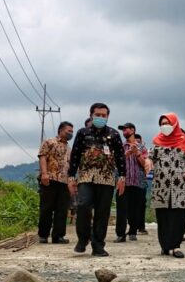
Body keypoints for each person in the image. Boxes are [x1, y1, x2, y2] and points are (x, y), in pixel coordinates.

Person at [68, 103, 126, 256]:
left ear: (107, 116)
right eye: (97, 115)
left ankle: (98, 244)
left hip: (106, 178)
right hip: (86, 176)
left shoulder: (114, 134)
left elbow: (120, 157)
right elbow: (75, 155)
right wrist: (70, 177)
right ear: (91, 115)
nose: (100, 117)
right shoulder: (82, 133)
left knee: (102, 212)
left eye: (103, 115)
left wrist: (122, 177)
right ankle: (83, 238)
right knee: (83, 205)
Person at [150, 113, 185, 258]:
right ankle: (165, 246)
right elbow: (150, 156)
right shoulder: (157, 142)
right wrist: (148, 161)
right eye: (162, 123)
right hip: (161, 187)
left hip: (179, 186)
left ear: (175, 124)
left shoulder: (184, 140)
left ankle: (175, 246)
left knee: (179, 217)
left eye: (167, 123)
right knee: (163, 217)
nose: (165, 126)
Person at [37, 122, 74, 244]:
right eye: (68, 131)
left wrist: (71, 182)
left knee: (62, 210)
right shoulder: (49, 142)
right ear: (61, 130)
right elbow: (42, 156)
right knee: (46, 208)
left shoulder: (69, 148)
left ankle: (58, 236)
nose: (70, 133)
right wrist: (44, 173)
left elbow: (70, 166)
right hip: (50, 179)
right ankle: (43, 235)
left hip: (64, 182)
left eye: (72, 131)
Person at [114, 123, 150, 242]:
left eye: (126, 129)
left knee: (135, 209)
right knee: (121, 209)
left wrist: (137, 153)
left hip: (137, 182)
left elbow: (145, 165)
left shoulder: (142, 146)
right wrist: (126, 154)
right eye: (123, 130)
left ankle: (133, 232)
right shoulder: (120, 146)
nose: (124, 132)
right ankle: (120, 234)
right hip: (123, 182)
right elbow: (115, 163)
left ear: (133, 130)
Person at [134, 133, 151, 235]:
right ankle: (133, 227)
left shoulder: (144, 150)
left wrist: (138, 153)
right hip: (129, 182)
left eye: (138, 140)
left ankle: (141, 227)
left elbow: (146, 163)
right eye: (135, 140)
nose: (137, 142)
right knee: (131, 205)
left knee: (141, 205)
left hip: (141, 182)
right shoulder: (127, 148)